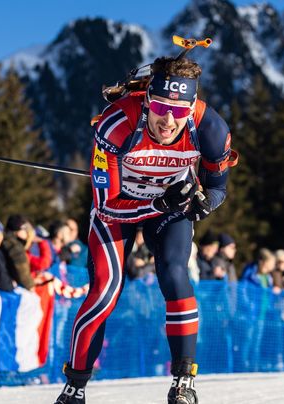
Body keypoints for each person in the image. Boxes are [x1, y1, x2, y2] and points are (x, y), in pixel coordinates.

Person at [56, 53, 235, 404]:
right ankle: (75, 386)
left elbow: (218, 187)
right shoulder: (117, 123)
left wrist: (205, 202)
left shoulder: (211, 129)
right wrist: (157, 202)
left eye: (180, 110)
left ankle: (184, 381)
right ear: (147, 100)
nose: (169, 120)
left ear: (192, 107)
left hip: (170, 205)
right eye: (161, 107)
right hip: (119, 206)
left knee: (173, 273)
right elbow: (107, 205)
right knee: (105, 289)